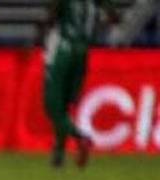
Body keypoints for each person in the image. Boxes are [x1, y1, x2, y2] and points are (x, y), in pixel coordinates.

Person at [39, 0, 118, 168]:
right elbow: (115, 17)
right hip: (83, 52)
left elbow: (52, 14)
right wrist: (95, 25)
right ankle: (58, 153)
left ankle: (80, 138)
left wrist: (39, 36)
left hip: (63, 49)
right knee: (65, 105)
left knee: (52, 105)